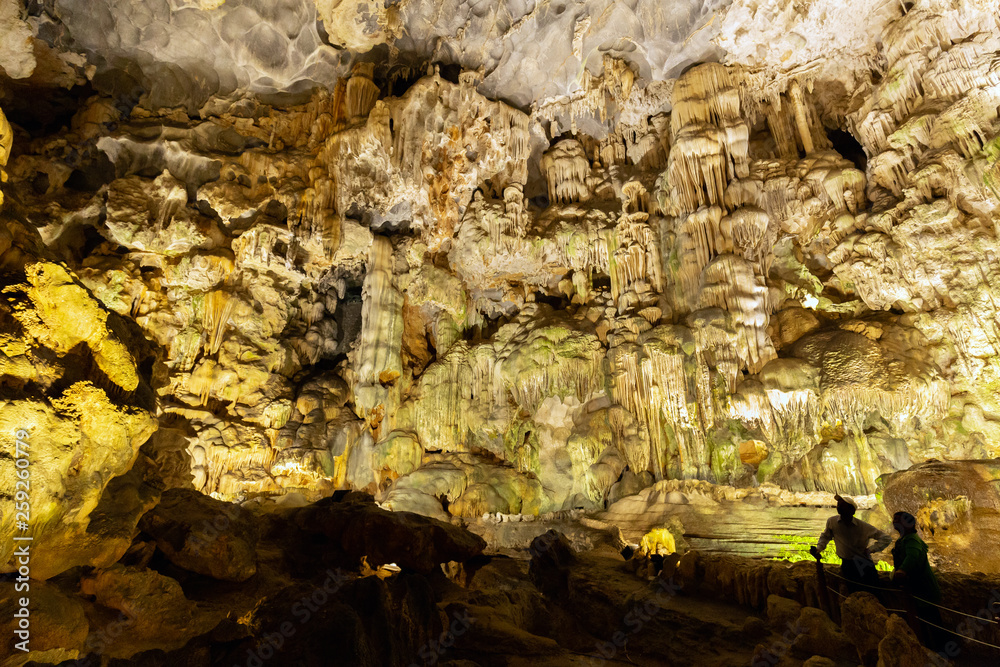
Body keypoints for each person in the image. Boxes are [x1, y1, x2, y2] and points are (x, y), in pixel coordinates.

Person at [810, 494, 891, 595]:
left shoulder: (863, 526)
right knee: (854, 592)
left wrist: (871, 549)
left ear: (852, 510)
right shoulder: (832, 522)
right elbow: (825, 537)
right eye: (838, 504)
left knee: (871, 592)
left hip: (864, 563)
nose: (838, 507)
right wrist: (818, 548)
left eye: (842, 505)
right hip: (847, 564)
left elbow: (886, 538)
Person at [890, 511, 946, 650]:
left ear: (908, 524)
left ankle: (941, 651)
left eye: (898, 520)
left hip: (923, 589)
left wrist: (902, 570)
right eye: (894, 519)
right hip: (916, 589)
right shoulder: (903, 540)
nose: (894, 522)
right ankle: (931, 650)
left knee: (932, 622)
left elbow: (913, 556)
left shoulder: (911, 540)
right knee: (924, 621)